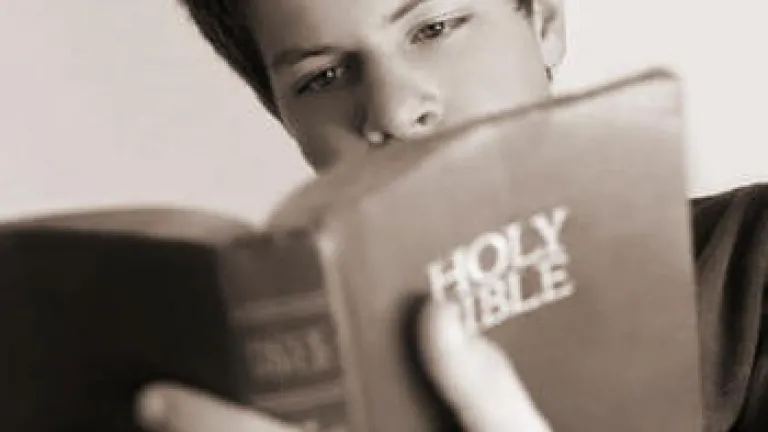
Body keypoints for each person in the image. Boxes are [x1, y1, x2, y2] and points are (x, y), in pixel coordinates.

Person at [135, 0, 768, 430]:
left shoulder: (753, 256)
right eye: (322, 77)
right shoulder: (296, 376)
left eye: (433, 28)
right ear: (285, 118)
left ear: (543, 19)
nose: (394, 110)